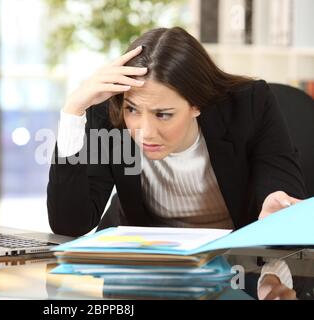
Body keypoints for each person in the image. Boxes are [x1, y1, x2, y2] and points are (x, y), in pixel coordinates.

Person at [47, 27, 306, 238]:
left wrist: (278, 207)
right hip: (146, 267)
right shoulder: (110, 115)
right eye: (133, 110)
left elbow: (281, 198)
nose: (145, 133)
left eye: (163, 114)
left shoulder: (249, 105)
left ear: (197, 104)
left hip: (235, 265)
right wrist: (72, 112)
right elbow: (69, 225)